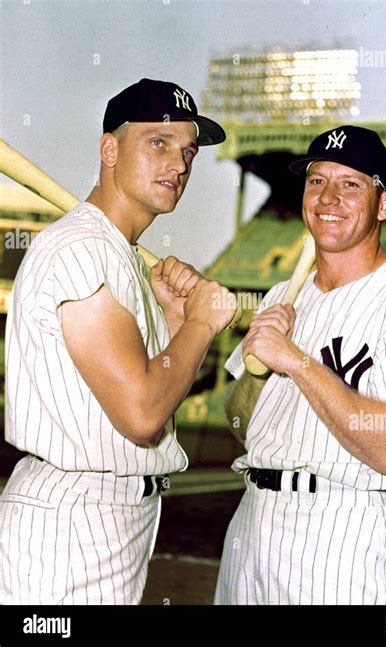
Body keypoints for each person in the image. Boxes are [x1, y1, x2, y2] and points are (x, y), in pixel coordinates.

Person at [0, 78, 236, 604]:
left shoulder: (116, 253)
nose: (178, 164)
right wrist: (201, 323)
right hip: (70, 524)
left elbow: (150, 388)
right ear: (109, 149)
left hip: (113, 517)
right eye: (158, 142)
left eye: (188, 151)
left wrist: (175, 326)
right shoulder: (80, 248)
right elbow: (142, 412)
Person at [215, 125, 386, 605]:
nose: (328, 198)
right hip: (252, 522)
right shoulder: (281, 297)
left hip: (342, 535)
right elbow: (243, 424)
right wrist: (259, 371)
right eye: (316, 181)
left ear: (384, 204)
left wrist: (298, 363)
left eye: (350, 184)